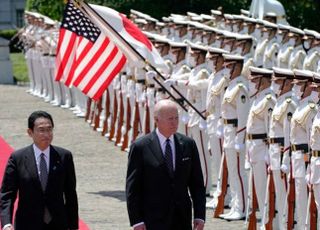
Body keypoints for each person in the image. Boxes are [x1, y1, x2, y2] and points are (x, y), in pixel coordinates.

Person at [126, 99, 206, 230]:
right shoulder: (141, 147)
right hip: (153, 219)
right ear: (156, 120)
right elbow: (133, 188)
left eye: (176, 118)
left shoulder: (188, 144)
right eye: (170, 119)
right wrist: (136, 220)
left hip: (182, 218)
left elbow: (197, 184)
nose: (174, 122)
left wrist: (199, 215)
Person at [0, 111, 79, 230]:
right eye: (41, 130)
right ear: (30, 132)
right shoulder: (18, 158)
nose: (47, 134)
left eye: (49, 129)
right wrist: (6, 223)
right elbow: (7, 194)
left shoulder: (64, 156)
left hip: (58, 223)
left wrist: (73, 226)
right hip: (27, 223)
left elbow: (70, 194)